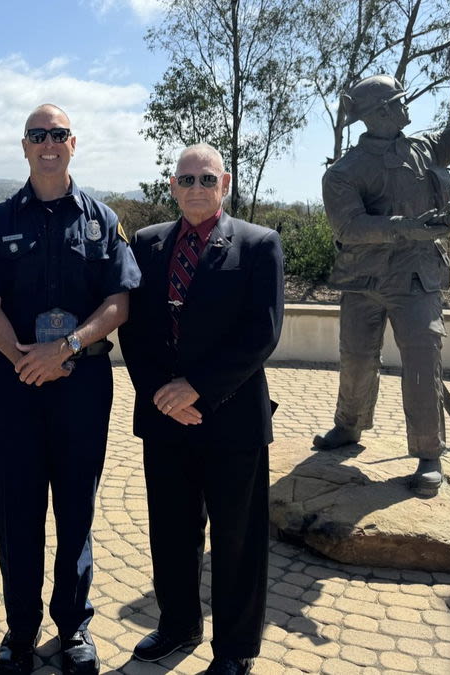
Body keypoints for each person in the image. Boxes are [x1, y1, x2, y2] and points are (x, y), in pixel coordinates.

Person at [0, 104, 140, 675]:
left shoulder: (103, 221)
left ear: (73, 142)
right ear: (24, 145)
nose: (48, 143)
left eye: (57, 134)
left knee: (76, 509)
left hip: (82, 383)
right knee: (17, 509)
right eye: (37, 135)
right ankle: (19, 630)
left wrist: (65, 349)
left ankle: (74, 628)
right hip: (15, 385)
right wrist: (23, 358)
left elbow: (119, 302)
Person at [118, 144, 284, 675]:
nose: (195, 187)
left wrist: (197, 389)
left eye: (206, 178)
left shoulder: (259, 244)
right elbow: (133, 328)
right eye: (186, 178)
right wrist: (162, 393)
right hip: (165, 417)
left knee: (237, 538)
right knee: (171, 530)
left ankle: (235, 650)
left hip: (232, 418)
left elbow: (262, 333)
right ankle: (177, 625)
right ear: (172, 184)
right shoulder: (146, 244)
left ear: (225, 183)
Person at [313, 38, 450, 497]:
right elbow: (349, 227)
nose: (406, 106)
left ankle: (429, 453)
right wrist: (407, 227)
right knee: (357, 360)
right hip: (364, 280)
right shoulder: (344, 171)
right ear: (379, 112)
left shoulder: (425, 149)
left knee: (423, 360)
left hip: (416, 278)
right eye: (399, 101)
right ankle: (348, 427)